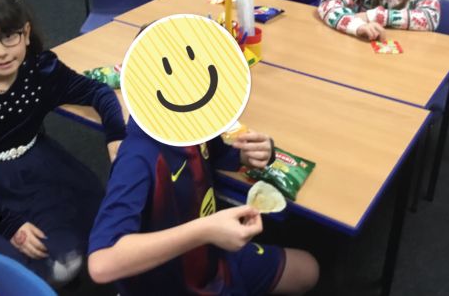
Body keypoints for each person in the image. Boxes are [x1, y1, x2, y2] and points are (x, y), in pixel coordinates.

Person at [0, 0, 126, 285]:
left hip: (38, 162)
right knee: (10, 266)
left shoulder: (39, 70)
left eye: (10, 36)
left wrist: (115, 135)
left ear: (26, 33)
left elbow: (97, 92)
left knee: (87, 223)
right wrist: (8, 225)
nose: (2, 51)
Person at [88, 118, 319, 295]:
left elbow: (216, 152)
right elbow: (102, 263)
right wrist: (205, 231)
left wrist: (250, 154)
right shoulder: (137, 157)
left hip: (211, 257)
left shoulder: (193, 122)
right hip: (170, 282)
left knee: (308, 270)